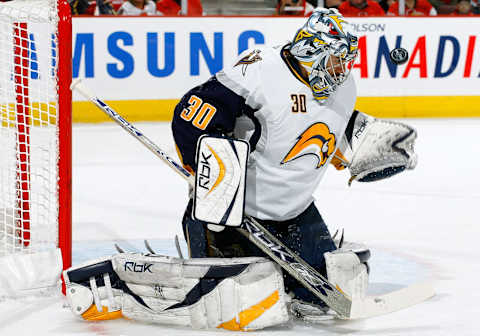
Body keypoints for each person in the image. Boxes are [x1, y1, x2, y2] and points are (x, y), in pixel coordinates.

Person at [171, 7, 417, 312]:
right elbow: (191, 117)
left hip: (296, 213)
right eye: (337, 60)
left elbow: (330, 135)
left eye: (347, 61)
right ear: (311, 50)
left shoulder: (345, 86)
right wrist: (211, 181)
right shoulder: (260, 69)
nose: (343, 69)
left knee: (324, 295)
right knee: (230, 301)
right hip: (235, 217)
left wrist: (367, 145)